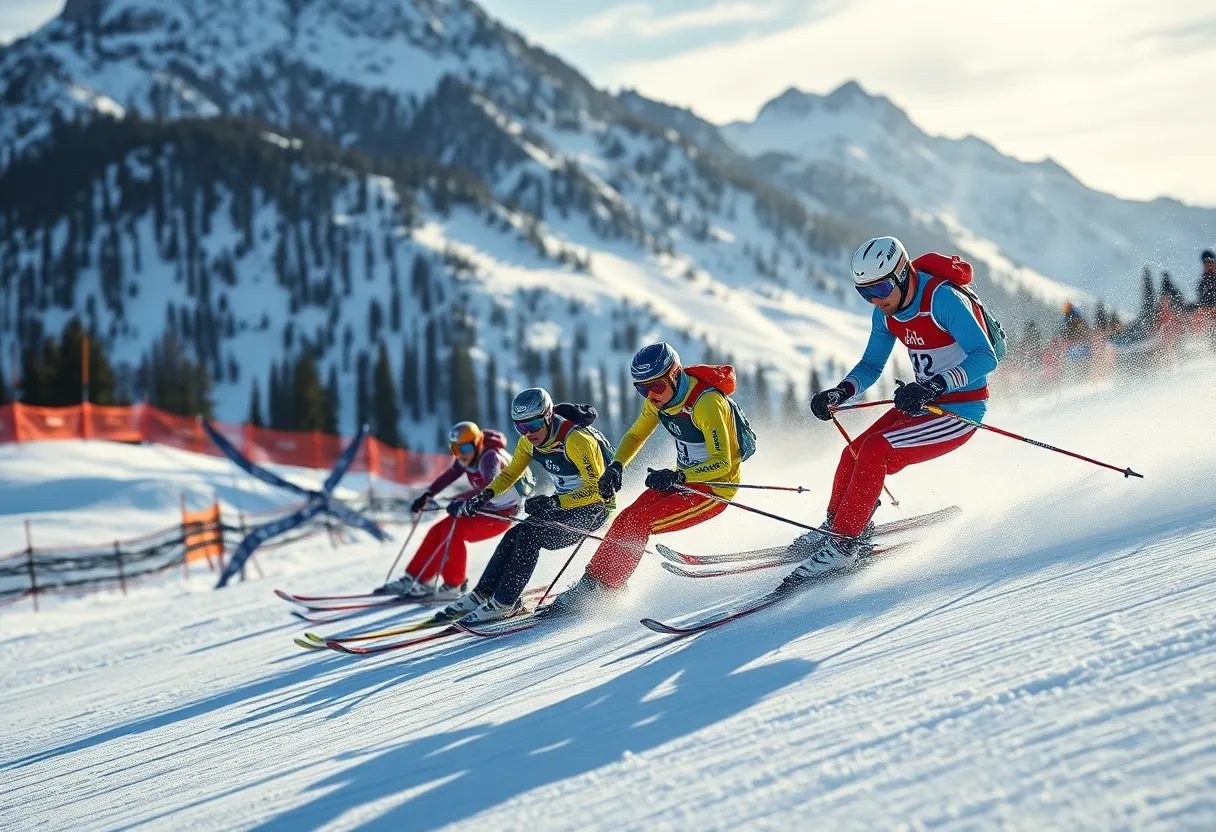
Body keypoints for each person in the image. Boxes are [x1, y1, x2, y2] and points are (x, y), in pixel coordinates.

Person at [790, 236, 998, 581]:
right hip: (923, 403)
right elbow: (872, 364)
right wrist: (840, 393)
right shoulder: (885, 313)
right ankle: (837, 526)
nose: (875, 299)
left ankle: (845, 546)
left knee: (875, 450)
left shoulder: (941, 299)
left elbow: (985, 356)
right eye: (864, 293)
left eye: (881, 288)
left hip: (960, 410)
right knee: (853, 453)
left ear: (903, 274)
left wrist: (935, 385)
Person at [549, 343, 749, 614]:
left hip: (714, 489)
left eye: (655, 386)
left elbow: (723, 463)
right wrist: (616, 466)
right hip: (683, 482)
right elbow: (635, 435)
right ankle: (591, 584)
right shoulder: (662, 399)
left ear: (675, 375)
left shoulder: (706, 404)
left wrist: (678, 474)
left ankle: (608, 589)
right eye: (641, 388)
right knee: (626, 517)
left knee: (640, 522)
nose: (650, 395)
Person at [436, 387, 612, 625]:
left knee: (530, 536)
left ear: (548, 415)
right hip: (566, 506)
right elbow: (509, 474)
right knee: (514, 534)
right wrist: (484, 495)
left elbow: (597, 493)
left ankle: (505, 603)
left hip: (594, 511)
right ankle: (483, 594)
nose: (527, 433)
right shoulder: (529, 442)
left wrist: (553, 501)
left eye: (532, 425)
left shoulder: (576, 440)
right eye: (520, 427)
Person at [378, 421, 522, 599]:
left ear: (477, 442)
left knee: (454, 531)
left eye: (466, 447)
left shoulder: (489, 457)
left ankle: (455, 584)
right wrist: (428, 494)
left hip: (502, 514)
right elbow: (449, 475)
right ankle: (418, 578)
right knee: (437, 530)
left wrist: (460, 499)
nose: (461, 454)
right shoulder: (469, 456)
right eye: (455, 450)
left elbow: (489, 487)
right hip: (484, 509)